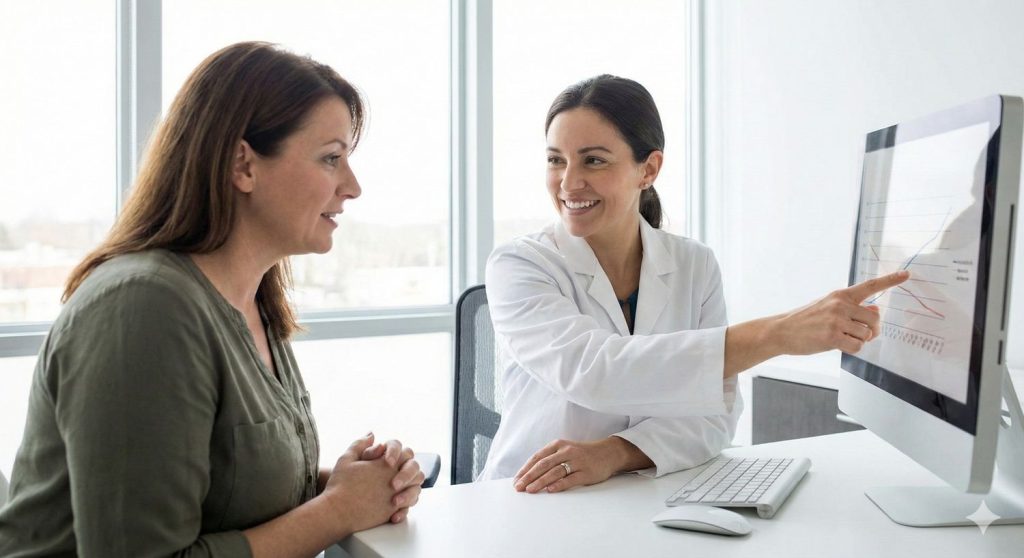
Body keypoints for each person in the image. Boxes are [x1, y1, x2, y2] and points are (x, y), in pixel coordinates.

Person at [0, 42, 423, 557]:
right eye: (331, 158)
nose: (352, 187)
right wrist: (337, 511)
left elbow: (223, 483)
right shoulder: (144, 309)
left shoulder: (252, 301)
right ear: (242, 164)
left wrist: (351, 485)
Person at [477, 75, 908, 493]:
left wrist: (616, 454)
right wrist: (778, 334)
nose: (569, 182)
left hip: (644, 494)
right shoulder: (520, 264)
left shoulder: (693, 264)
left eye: (593, 160)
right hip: (530, 497)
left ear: (648, 168)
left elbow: (715, 415)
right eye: (556, 160)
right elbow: (594, 371)